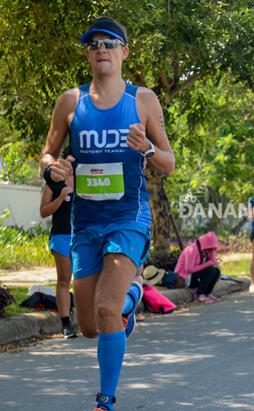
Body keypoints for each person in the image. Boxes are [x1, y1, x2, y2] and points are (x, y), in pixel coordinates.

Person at [39, 16, 175, 411]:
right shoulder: (70, 101)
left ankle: (105, 399)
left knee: (105, 308)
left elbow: (168, 162)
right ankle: (134, 297)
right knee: (89, 326)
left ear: (123, 52)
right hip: (85, 222)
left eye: (110, 43)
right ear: (87, 53)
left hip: (128, 217)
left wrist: (147, 148)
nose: (102, 49)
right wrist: (53, 169)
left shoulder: (143, 100)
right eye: (94, 43)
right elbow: (47, 152)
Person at [39, 150, 76, 339]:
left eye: (74, 162)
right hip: (62, 235)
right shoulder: (53, 184)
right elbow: (43, 212)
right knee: (64, 279)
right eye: (67, 161)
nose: (70, 166)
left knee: (86, 279)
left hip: (82, 236)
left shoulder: (86, 182)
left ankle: (88, 317)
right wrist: (61, 198)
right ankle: (66, 323)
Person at [174, 231, 221, 303]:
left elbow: (212, 261)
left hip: (192, 277)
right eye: (210, 249)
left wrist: (213, 251)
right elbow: (188, 269)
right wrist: (207, 264)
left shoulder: (203, 251)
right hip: (184, 278)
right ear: (205, 245)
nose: (210, 251)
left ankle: (207, 293)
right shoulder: (192, 249)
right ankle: (199, 295)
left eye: (212, 248)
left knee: (216, 271)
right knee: (210, 270)